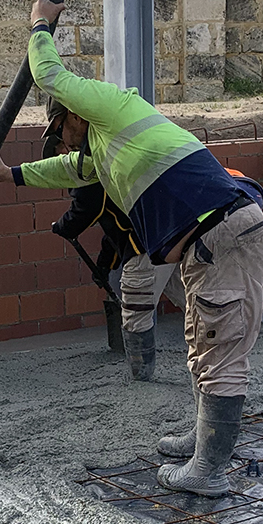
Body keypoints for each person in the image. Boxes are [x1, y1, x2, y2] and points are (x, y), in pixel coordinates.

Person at [0, 0, 263, 498]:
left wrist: (38, 26)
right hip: (211, 238)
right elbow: (70, 171)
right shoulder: (104, 146)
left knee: (221, 352)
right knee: (205, 345)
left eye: (60, 130)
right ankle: (202, 444)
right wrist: (13, 177)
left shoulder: (111, 106)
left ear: (72, 113)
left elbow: (50, 77)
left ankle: (208, 472)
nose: (63, 142)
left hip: (221, 229)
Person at [44, 110, 183, 380]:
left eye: (62, 148)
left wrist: (65, 226)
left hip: (147, 244)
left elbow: (88, 208)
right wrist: (104, 266)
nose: (65, 152)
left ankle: (142, 376)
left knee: (135, 310)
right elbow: (114, 228)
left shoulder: (88, 171)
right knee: (186, 294)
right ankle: (217, 343)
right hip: (169, 236)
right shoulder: (100, 162)